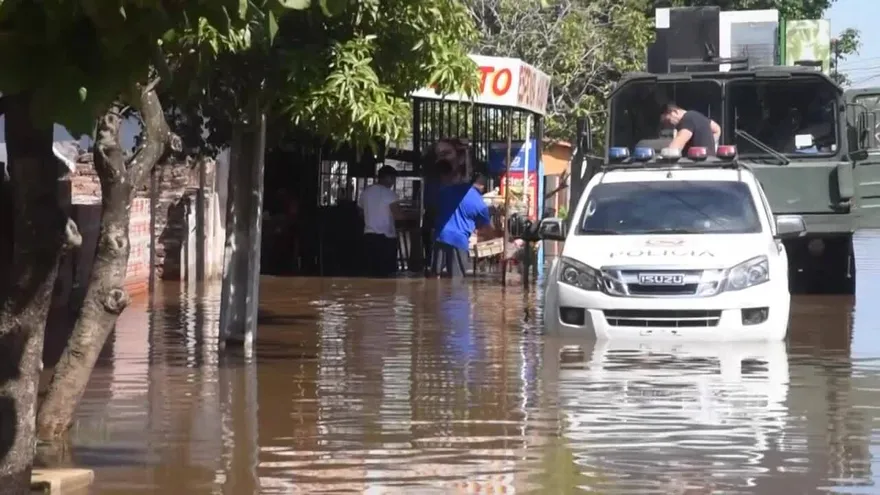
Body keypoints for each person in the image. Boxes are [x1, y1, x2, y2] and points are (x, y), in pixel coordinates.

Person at [432, 164, 491, 278]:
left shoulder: (448, 190)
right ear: (483, 185)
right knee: (457, 279)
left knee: (435, 277)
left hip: (440, 237)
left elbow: (435, 208)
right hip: (457, 240)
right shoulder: (480, 203)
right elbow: (487, 228)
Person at [358, 165, 403, 277]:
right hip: (386, 239)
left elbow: (360, 212)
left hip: (369, 237)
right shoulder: (390, 194)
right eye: (393, 178)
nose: (393, 182)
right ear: (387, 177)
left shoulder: (366, 193)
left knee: (371, 272)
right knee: (386, 274)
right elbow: (398, 215)